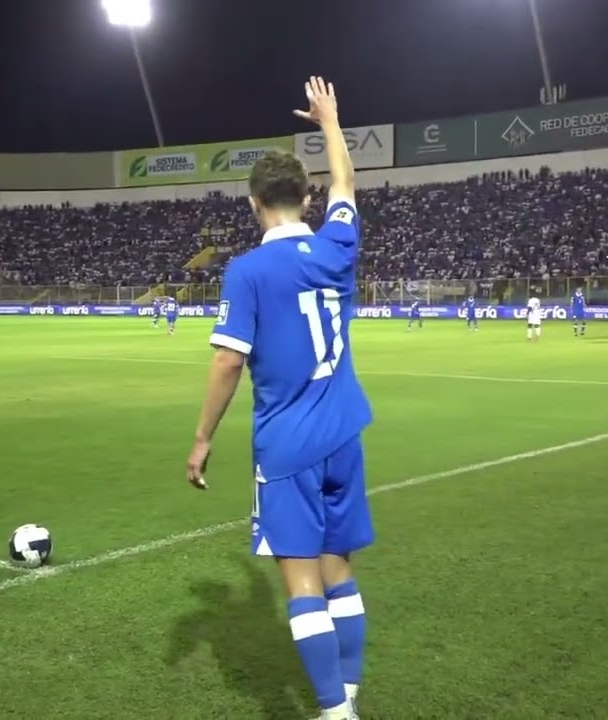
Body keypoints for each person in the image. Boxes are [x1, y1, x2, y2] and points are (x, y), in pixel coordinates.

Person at [185, 77, 370, 720]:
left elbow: (228, 360)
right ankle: (348, 694)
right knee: (339, 572)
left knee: (300, 582)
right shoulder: (336, 247)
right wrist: (330, 123)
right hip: (345, 435)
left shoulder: (247, 271)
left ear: (255, 202)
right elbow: (346, 188)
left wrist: (203, 439)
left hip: (288, 445)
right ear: (305, 197)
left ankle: (333, 712)